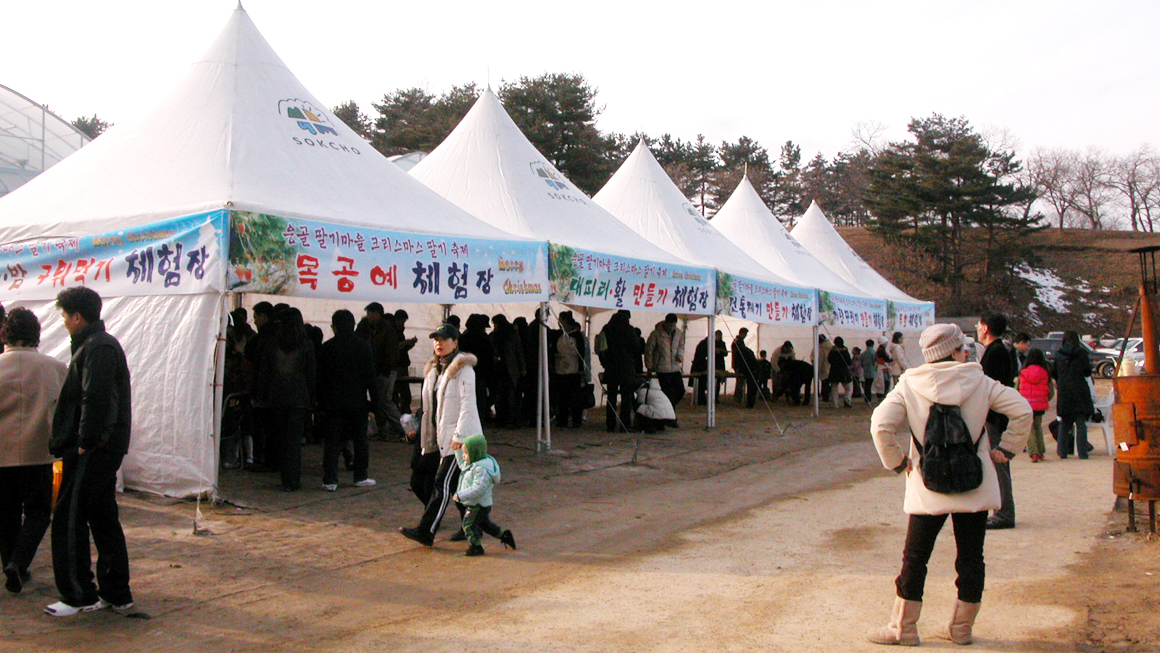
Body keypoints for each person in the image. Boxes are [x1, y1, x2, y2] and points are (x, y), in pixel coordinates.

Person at [867, 323, 1031, 646]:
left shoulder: (909, 384)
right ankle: (961, 628)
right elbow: (1022, 410)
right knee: (971, 558)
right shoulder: (979, 381)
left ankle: (904, 629)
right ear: (956, 350)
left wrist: (899, 462)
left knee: (915, 557)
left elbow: (880, 424)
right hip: (974, 484)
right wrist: (1007, 449)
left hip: (929, 485)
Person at [45, 287, 135, 617]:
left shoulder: (98, 347)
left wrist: (84, 441)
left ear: (78, 317)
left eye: (66, 317)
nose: (65, 323)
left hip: (94, 449)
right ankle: (116, 592)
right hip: (102, 447)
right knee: (101, 515)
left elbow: (95, 399)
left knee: (69, 518)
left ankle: (78, 595)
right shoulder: (97, 345)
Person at [0, 308, 67, 594]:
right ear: (36, 335)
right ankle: (19, 562)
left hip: (2, 455)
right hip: (39, 453)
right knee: (39, 512)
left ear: (5, 334)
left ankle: (10, 564)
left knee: (6, 514)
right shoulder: (55, 368)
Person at [401, 324, 482, 547]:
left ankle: (426, 530)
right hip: (435, 437)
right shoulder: (434, 370)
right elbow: (429, 408)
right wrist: (418, 430)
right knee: (421, 480)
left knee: (442, 484)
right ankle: (474, 523)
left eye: (444, 339)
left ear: (455, 343)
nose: (439, 343)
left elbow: (468, 406)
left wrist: (460, 436)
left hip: (458, 439)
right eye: (436, 339)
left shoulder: (464, 370)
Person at [318, 310, 379, 491]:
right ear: (353, 325)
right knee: (360, 440)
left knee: (333, 442)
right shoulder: (363, 346)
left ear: (334, 326)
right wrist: (375, 403)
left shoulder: (327, 347)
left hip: (333, 403)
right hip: (357, 402)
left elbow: (320, 378)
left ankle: (330, 479)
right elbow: (371, 377)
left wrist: (320, 402)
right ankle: (360, 476)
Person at [257, 307, 316, 492]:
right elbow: (311, 374)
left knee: (281, 438)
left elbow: (264, 372)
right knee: (294, 441)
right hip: (299, 398)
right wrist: (313, 399)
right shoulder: (306, 345)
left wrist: (261, 395)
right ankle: (293, 479)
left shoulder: (273, 343)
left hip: (277, 397)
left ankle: (285, 478)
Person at [976, 311, 1017, 529]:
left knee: (998, 462)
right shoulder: (999, 350)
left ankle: (1004, 513)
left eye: (979, 324)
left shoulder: (996, 352)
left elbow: (989, 387)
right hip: (995, 414)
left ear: (985, 327)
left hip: (994, 416)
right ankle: (1000, 510)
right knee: (996, 463)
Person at [452, 433, 516, 556]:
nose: (464, 456)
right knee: (485, 525)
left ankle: (476, 547)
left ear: (474, 453)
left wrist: (461, 495)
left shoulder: (481, 469)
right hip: (479, 503)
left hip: (478, 504)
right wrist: (457, 449)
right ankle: (504, 535)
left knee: (468, 525)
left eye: (466, 453)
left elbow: (479, 488)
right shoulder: (474, 463)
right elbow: (462, 463)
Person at [356, 303, 405, 440]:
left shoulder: (387, 329)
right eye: (369, 313)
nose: (370, 316)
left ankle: (401, 428)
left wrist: (385, 372)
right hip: (372, 369)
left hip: (385, 371)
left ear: (379, 314)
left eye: (372, 313)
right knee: (380, 401)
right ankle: (384, 430)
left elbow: (390, 353)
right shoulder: (365, 326)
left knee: (384, 400)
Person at [1053, 330, 1094, 460]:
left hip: (1064, 391)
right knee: (1081, 422)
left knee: (1064, 422)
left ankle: (1062, 452)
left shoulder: (1058, 355)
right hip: (1079, 390)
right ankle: (1082, 452)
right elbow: (1087, 371)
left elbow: (1054, 372)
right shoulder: (1081, 353)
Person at [599, 311, 640, 432]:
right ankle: (625, 425)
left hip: (611, 368)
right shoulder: (629, 330)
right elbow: (636, 348)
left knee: (611, 397)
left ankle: (610, 424)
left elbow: (601, 349)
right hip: (627, 367)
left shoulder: (607, 329)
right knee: (626, 397)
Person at [1016, 348, 1053, 463]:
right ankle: (1041, 451)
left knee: (1029, 428)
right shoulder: (1045, 372)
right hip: (1039, 404)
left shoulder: (1023, 372)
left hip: (1026, 404)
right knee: (1038, 427)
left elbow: (1017, 389)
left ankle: (1034, 452)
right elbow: (1051, 392)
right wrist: (1044, 399)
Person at [553, 312, 588, 428]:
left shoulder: (577, 336)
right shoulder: (559, 335)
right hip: (560, 370)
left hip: (573, 371)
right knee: (562, 397)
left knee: (574, 398)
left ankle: (576, 421)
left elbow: (582, 353)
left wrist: (582, 369)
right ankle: (562, 420)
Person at [489, 315, 525, 428]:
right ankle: (502, 419)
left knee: (510, 396)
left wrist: (522, 367)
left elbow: (519, 352)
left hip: (510, 370)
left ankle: (511, 420)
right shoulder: (494, 336)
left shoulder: (512, 335)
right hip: (499, 370)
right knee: (500, 396)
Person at [645, 314, 686, 410]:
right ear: (665, 323)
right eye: (670, 325)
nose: (671, 328)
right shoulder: (656, 334)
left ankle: (666, 409)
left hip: (675, 367)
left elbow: (681, 345)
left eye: (673, 325)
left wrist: (680, 355)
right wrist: (649, 366)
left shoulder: (678, 333)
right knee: (669, 393)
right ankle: (671, 415)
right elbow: (649, 350)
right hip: (662, 368)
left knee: (681, 391)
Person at [393, 309, 418, 415]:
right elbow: (394, 349)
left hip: (402, 366)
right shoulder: (392, 334)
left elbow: (402, 350)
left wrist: (409, 344)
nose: (403, 325)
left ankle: (404, 414)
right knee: (401, 394)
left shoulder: (399, 333)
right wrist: (404, 343)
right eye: (402, 322)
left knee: (405, 394)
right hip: (396, 367)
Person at [730, 328, 759, 408]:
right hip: (738, 365)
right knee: (740, 381)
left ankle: (738, 397)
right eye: (745, 334)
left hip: (738, 364)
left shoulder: (737, 341)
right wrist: (738, 366)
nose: (745, 336)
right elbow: (738, 355)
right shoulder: (738, 341)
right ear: (742, 333)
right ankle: (738, 397)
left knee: (740, 381)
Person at [827, 336, 854, 408]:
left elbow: (829, 360)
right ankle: (847, 399)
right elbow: (848, 361)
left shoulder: (832, 350)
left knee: (834, 388)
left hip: (834, 371)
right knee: (848, 387)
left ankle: (835, 404)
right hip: (843, 371)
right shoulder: (845, 350)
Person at [815, 334, 833, 402]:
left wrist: (817, 368)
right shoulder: (831, 346)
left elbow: (820, 359)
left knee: (824, 382)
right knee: (828, 382)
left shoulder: (821, 348)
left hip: (823, 367)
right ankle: (827, 396)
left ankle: (825, 397)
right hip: (830, 367)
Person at [861, 339, 878, 405]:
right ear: (873, 344)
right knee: (871, 385)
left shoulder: (863, 353)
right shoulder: (874, 352)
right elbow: (875, 361)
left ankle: (867, 399)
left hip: (866, 371)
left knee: (867, 386)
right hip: (873, 370)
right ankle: (870, 399)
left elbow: (861, 363)